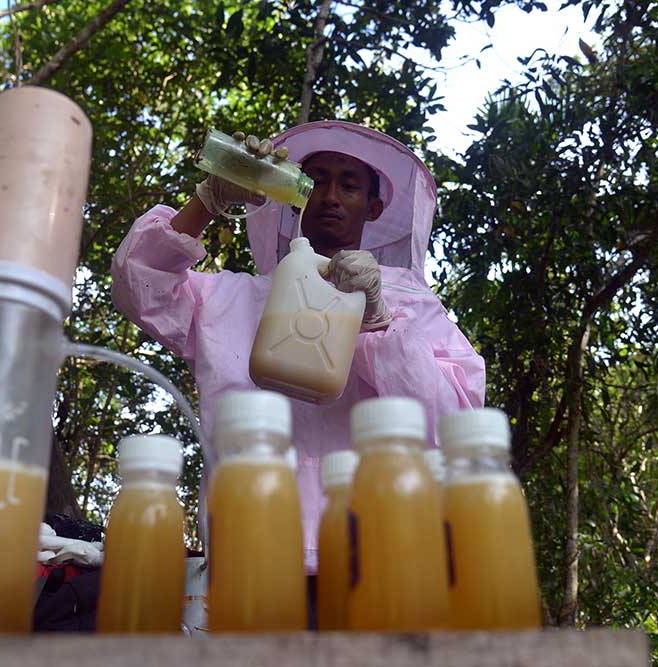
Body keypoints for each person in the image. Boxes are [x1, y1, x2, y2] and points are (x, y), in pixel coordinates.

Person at [111, 121, 485, 574]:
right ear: (298, 193)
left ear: (374, 207)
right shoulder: (230, 298)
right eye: (318, 181)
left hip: (377, 563)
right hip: (248, 557)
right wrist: (208, 200)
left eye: (348, 185)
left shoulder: (412, 306)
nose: (330, 196)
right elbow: (140, 285)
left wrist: (378, 322)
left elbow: (454, 421)